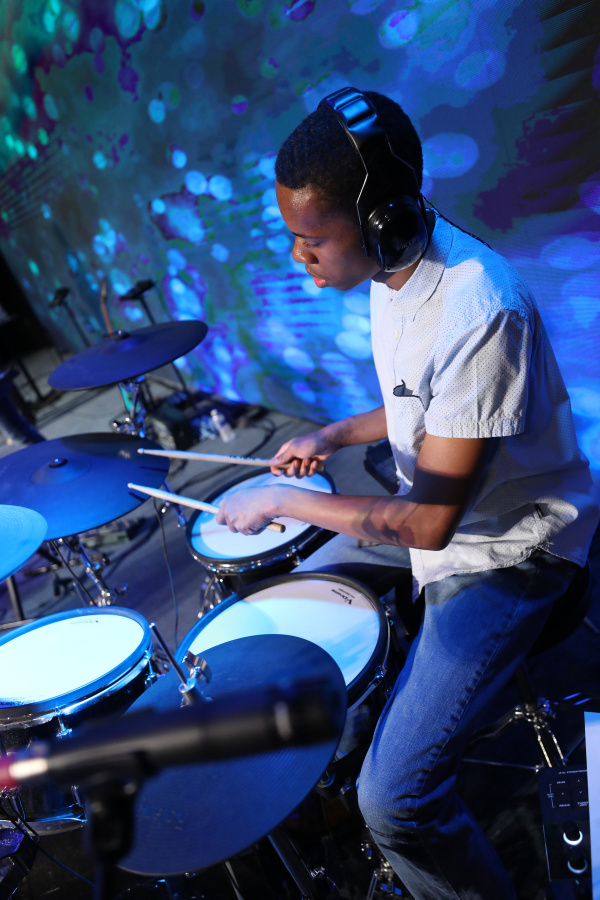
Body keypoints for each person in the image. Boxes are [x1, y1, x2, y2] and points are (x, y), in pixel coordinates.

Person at [215, 87, 599, 899]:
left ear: (381, 221)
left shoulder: (478, 309)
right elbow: (417, 403)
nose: (298, 257)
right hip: (450, 522)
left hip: (514, 548)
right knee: (299, 615)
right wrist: (330, 436)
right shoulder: (395, 269)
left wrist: (283, 501)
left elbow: (427, 524)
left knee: (393, 802)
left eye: (311, 240)